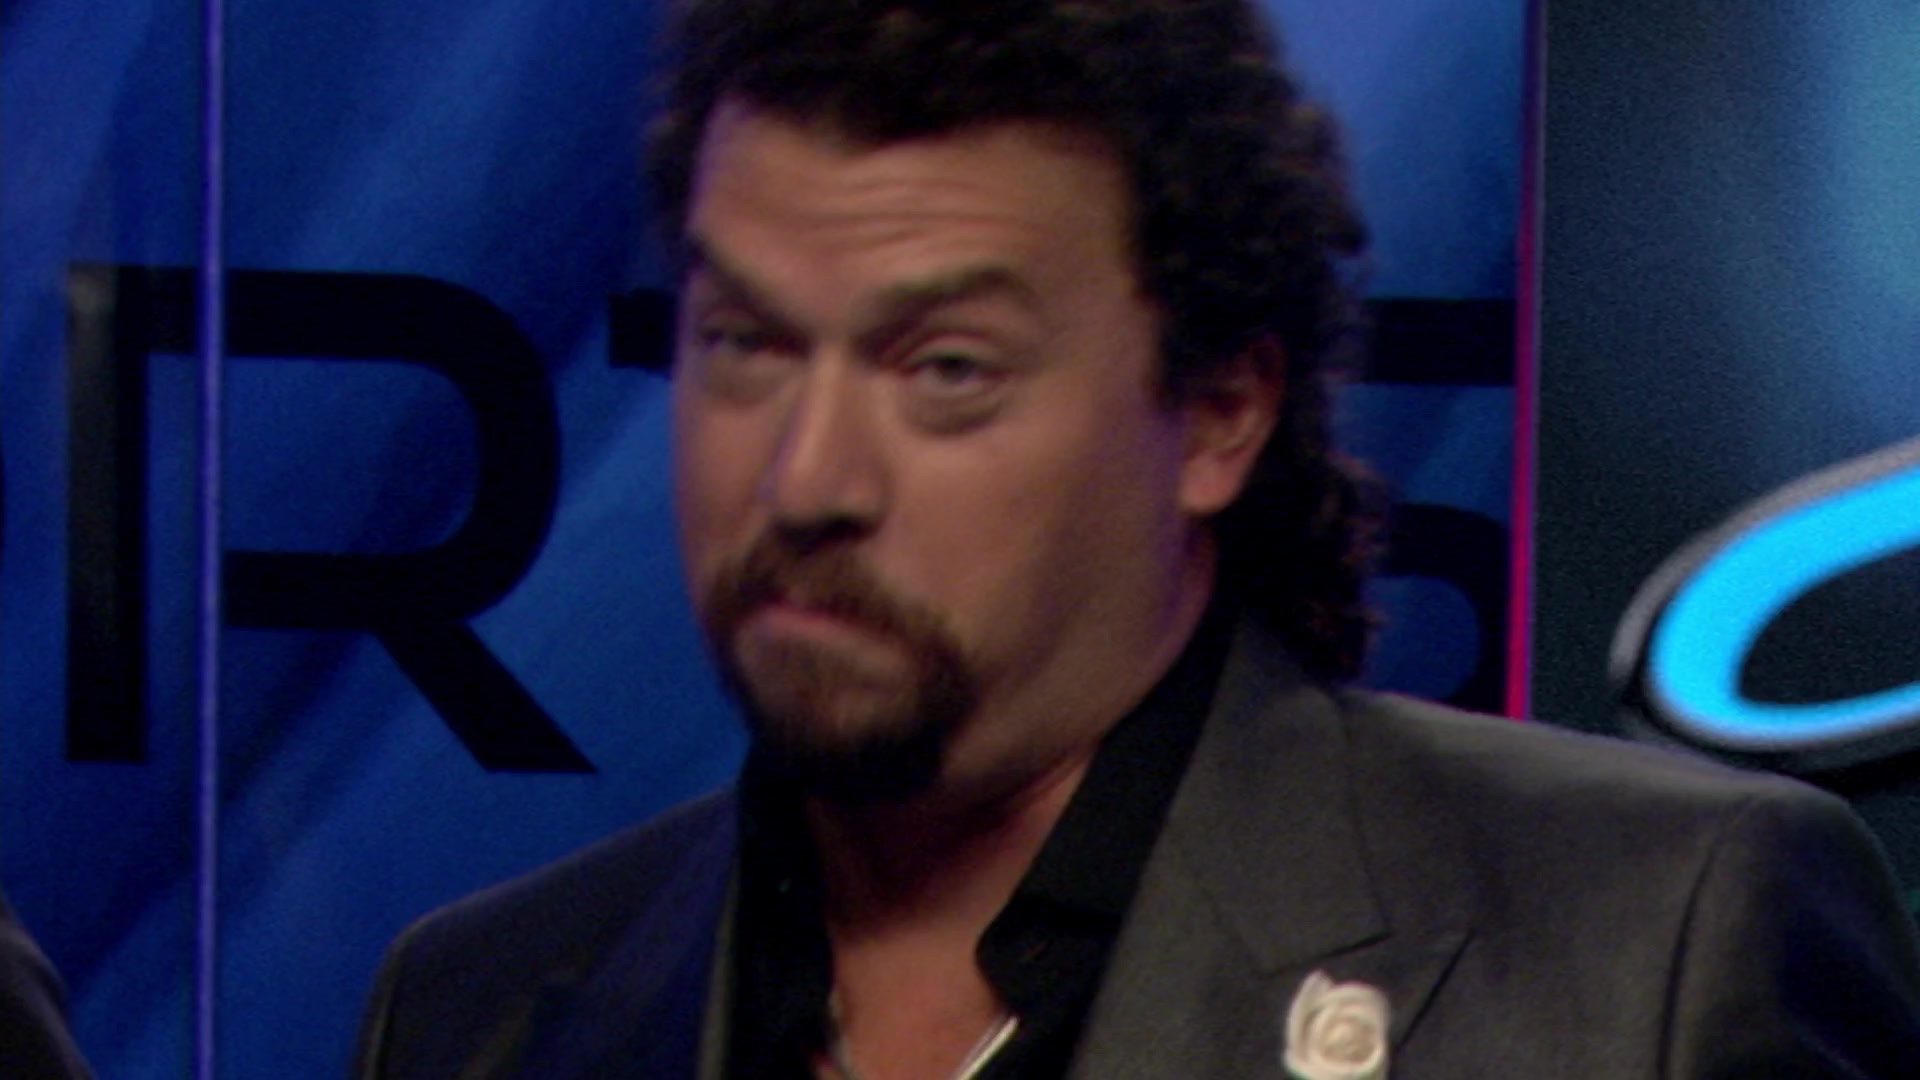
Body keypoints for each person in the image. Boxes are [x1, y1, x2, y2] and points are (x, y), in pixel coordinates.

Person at [354, 2, 1920, 1076]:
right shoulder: (477, 1014)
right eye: (746, 344)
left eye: (944, 370)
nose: (808, 477)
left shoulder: (1650, 949)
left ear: (1222, 410)